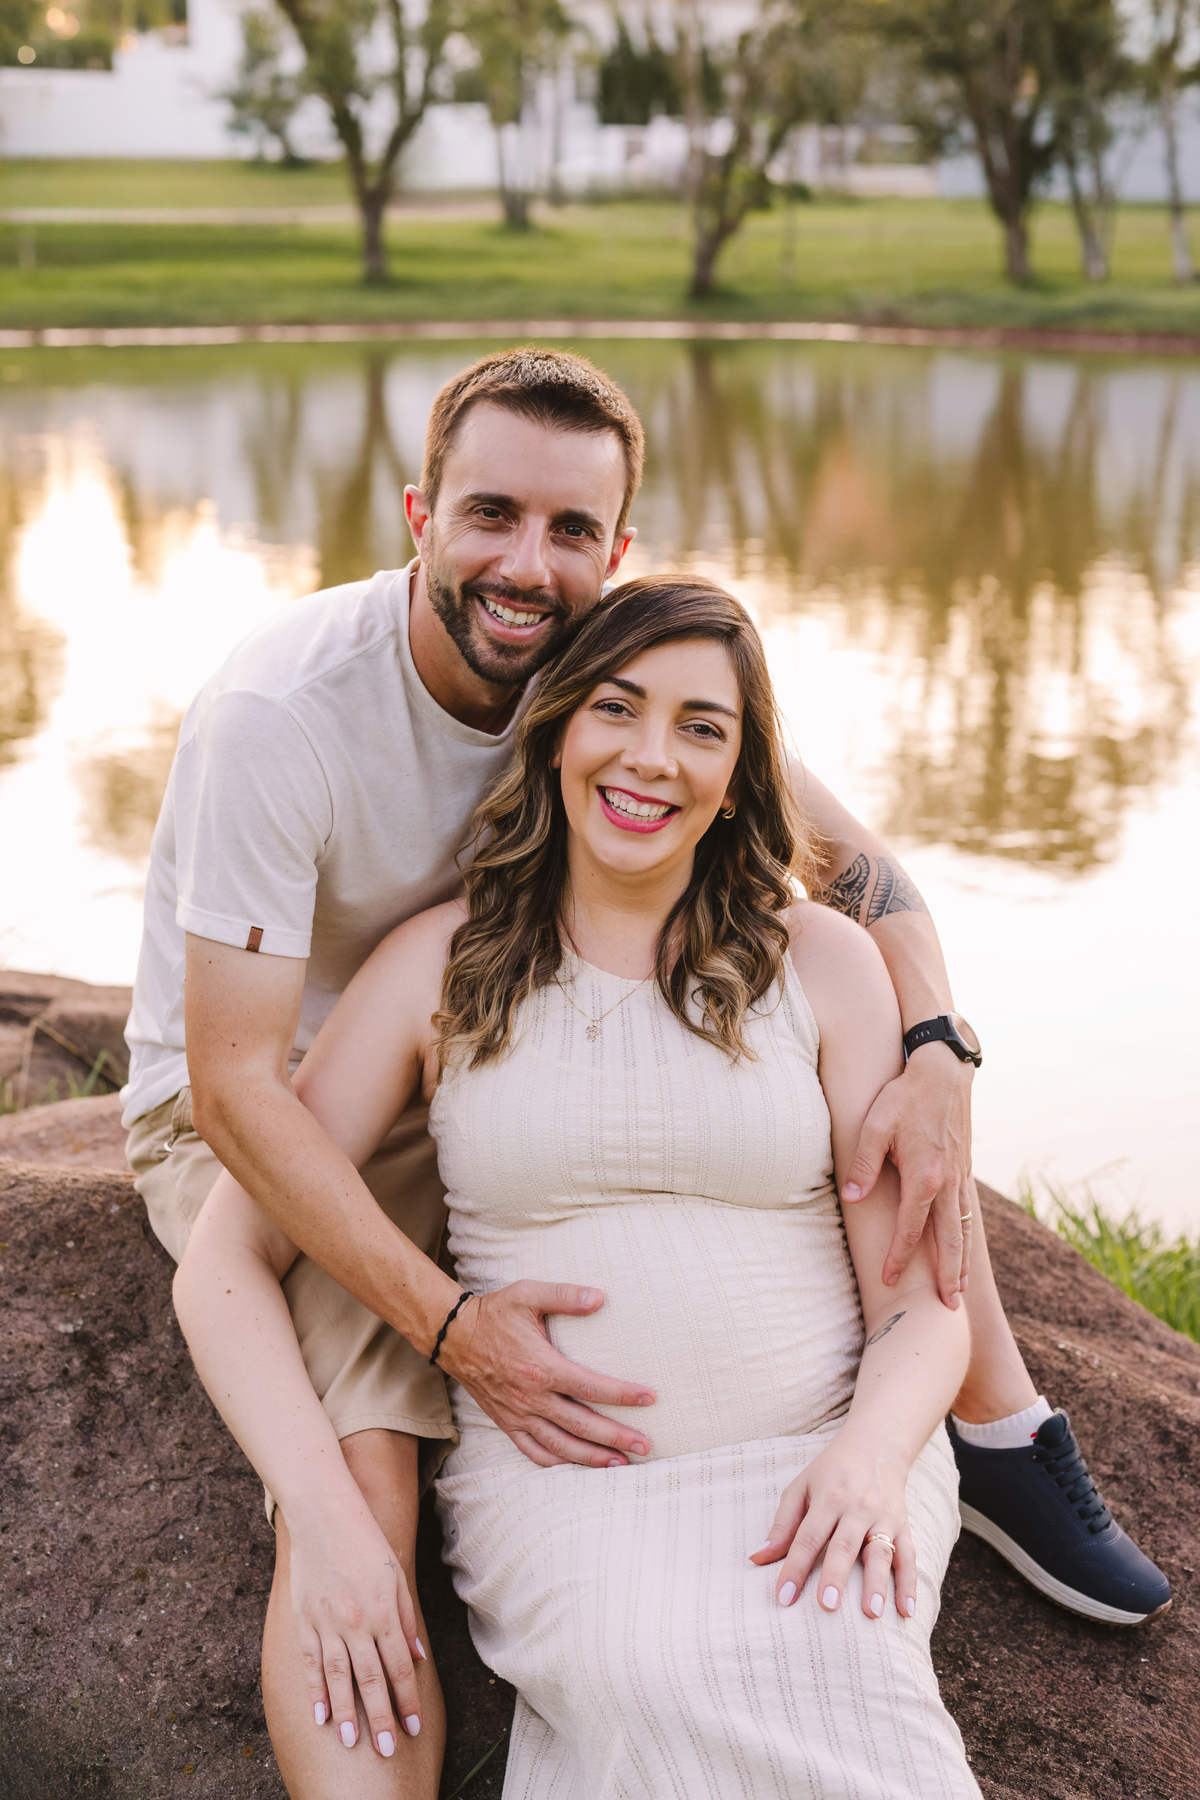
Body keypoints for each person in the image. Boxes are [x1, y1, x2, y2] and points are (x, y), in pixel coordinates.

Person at [126, 349, 1168, 1794]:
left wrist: (938, 1048)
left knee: (905, 1134)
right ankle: (352, 1586)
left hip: (517, 1061)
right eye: (490, 514)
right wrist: (451, 1328)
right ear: (421, 515)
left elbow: (868, 878)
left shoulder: (606, 667)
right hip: (288, 1085)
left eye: (570, 530)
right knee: (360, 1485)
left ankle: (994, 1426)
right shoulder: (285, 715)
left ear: (616, 550)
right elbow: (237, 1094)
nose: (525, 563)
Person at [178, 575, 981, 1795]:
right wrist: (322, 1506)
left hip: (822, 1459)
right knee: (637, 1665)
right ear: (555, 732)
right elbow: (224, 1262)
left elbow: (925, 1304)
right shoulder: (439, 966)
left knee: (846, 1665)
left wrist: (872, 1456)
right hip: (565, 1497)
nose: (651, 757)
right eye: (616, 707)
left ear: (739, 775)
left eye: (701, 727)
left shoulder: (823, 960)